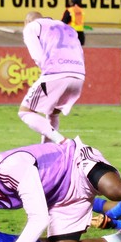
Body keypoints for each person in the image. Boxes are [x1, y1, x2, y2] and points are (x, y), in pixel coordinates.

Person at [18, 11, 85, 144]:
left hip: (56, 74)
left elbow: (37, 55)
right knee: (53, 113)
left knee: (25, 111)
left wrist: (47, 72)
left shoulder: (31, 27)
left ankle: (63, 142)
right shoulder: (67, 27)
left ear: (26, 22)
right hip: (79, 75)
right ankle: (48, 151)